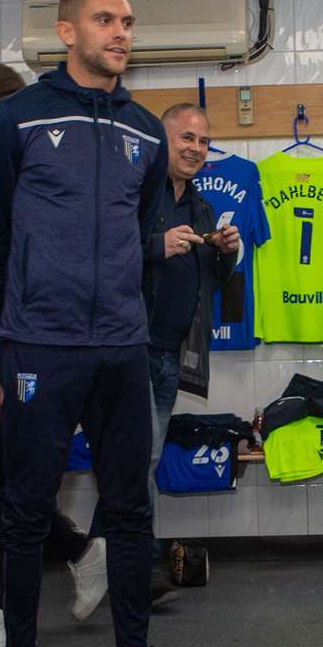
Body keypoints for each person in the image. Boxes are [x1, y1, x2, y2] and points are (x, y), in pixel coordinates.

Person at [0, 0, 196, 647]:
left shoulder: (142, 130)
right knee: (27, 509)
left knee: (130, 505)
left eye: (128, 22)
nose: (121, 32)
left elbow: (139, 235)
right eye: (105, 20)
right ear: (66, 32)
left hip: (122, 345)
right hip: (39, 341)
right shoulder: (19, 117)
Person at [0, 62, 109, 647]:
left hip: (34, 344)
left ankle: (9, 617)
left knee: (18, 482)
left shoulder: (43, 184)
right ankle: (76, 548)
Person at [88, 102, 238, 589]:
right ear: (161, 142)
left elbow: (209, 281)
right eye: (186, 138)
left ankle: (97, 563)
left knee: (133, 464)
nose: (196, 148)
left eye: (203, 141)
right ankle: (134, 568)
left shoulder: (200, 205)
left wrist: (226, 254)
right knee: (139, 461)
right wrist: (155, 246)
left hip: (171, 354)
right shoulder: (134, 194)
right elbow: (101, 255)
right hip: (129, 350)